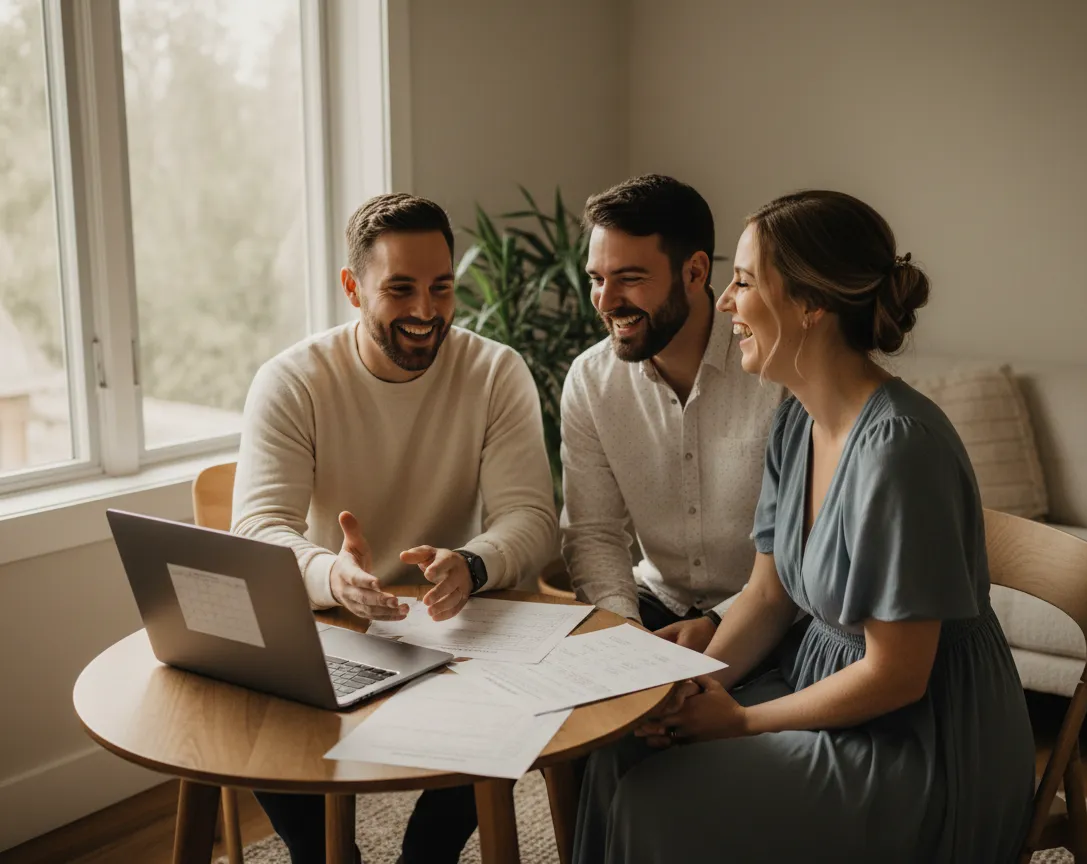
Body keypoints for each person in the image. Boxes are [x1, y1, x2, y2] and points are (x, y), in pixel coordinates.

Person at [573, 190, 1036, 863]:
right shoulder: (797, 418)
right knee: (624, 743)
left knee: (661, 798)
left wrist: (741, 722)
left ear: (811, 305)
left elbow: (897, 676)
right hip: (819, 680)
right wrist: (696, 688)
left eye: (743, 281)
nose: (727, 303)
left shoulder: (901, 448)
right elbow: (768, 595)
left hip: (921, 738)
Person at [231, 193, 557, 864]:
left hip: (460, 623)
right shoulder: (292, 381)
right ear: (352, 287)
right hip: (333, 622)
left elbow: (532, 519)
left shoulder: (494, 373)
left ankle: (428, 854)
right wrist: (333, 576)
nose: (426, 312)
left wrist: (473, 562)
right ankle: (323, 855)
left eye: (441, 288)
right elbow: (259, 529)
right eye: (400, 289)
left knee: (532, 699)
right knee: (235, 690)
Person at [561, 174, 788, 650]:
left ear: (695, 272)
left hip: (773, 613)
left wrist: (720, 624)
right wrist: (625, 637)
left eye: (630, 278)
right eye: (597, 279)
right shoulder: (589, 380)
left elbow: (805, 544)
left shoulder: (779, 371)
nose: (604, 301)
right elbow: (594, 534)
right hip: (652, 605)